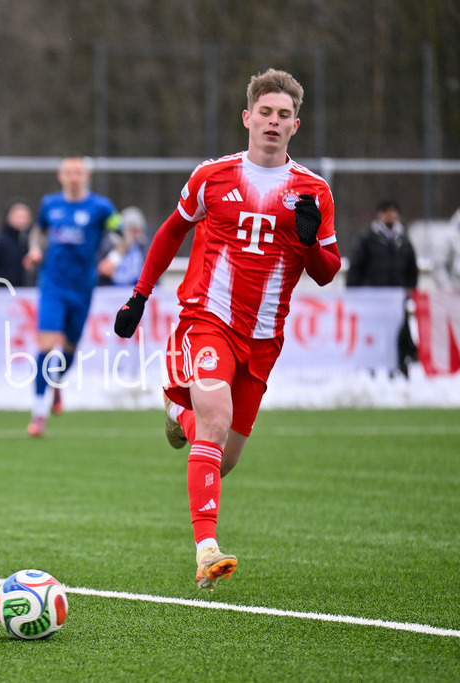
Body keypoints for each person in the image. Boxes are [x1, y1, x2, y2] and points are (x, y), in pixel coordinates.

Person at [113, 68, 341, 590]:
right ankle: (206, 549)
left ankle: (177, 411)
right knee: (214, 422)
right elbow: (172, 231)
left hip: (264, 338)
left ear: (296, 125)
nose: (273, 122)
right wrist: (139, 296)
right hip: (206, 319)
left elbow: (327, 272)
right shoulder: (211, 176)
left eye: (284, 115)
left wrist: (308, 241)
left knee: (223, 454)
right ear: (247, 117)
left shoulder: (313, 191)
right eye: (265, 112)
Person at [23, 156, 122, 437]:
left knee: (68, 349)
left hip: (82, 288)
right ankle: (38, 413)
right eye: (69, 172)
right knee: (45, 344)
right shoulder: (50, 204)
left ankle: (56, 383)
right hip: (52, 284)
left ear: (86, 176)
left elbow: (124, 234)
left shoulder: (101, 207)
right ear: (60, 176)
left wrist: (114, 257)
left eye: (78, 172)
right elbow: (38, 232)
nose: (74, 177)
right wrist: (34, 249)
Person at [346, 200, 419, 376]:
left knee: (399, 335)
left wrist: (409, 292)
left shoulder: (404, 241)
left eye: (393, 212)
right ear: (379, 215)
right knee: (373, 335)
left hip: (397, 299)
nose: (390, 216)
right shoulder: (367, 239)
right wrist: (354, 293)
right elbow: (355, 268)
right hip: (374, 300)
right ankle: (370, 372)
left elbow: (412, 270)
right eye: (386, 212)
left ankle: (399, 370)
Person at [0, 200, 33, 288]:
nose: (23, 220)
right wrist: (4, 281)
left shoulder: (30, 240)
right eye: (19, 216)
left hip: (26, 290)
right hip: (3, 292)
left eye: (25, 217)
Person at [108, 206, 148, 288]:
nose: (134, 234)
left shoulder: (143, 247)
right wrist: (124, 246)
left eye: (137, 230)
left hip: (136, 291)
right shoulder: (111, 243)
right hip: (112, 291)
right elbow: (104, 270)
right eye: (131, 230)